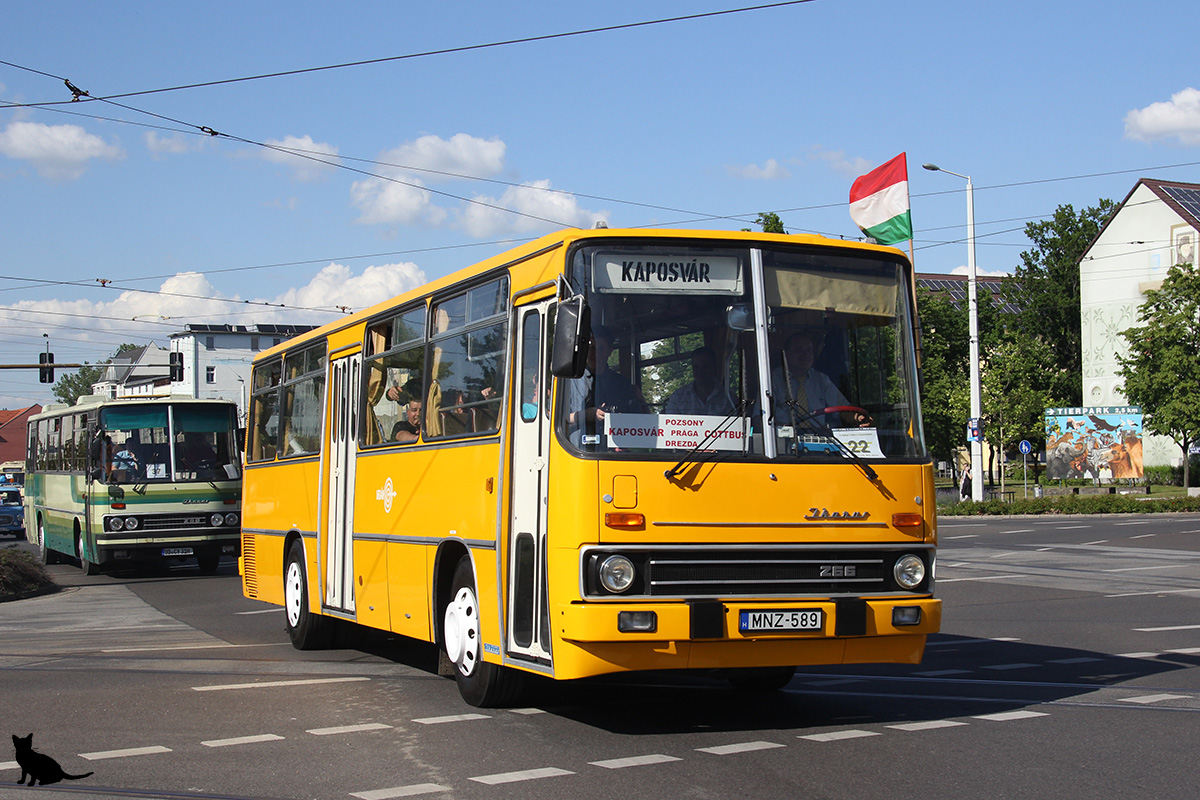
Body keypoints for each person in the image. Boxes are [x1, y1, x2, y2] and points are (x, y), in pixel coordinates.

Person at [771, 331, 869, 428]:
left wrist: (858, 418)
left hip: (819, 437)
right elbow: (759, 418)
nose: (805, 354)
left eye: (809, 350)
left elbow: (841, 408)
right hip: (785, 440)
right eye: (799, 350)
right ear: (786, 353)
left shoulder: (821, 379)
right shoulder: (773, 379)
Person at [567, 326, 647, 434]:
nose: (594, 353)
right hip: (573, 448)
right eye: (591, 348)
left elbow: (640, 421)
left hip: (612, 448)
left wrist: (640, 400)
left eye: (600, 348)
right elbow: (552, 418)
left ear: (610, 351)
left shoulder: (622, 384)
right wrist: (586, 415)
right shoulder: (568, 381)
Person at [665, 346, 733, 415]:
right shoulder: (678, 397)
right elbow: (669, 424)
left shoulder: (729, 398)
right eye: (696, 367)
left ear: (714, 367)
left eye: (705, 367)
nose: (700, 371)